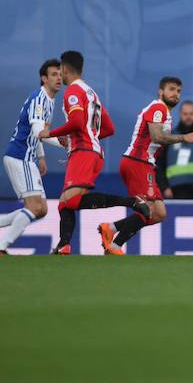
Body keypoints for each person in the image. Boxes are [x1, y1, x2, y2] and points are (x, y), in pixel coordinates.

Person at [39, 51, 149, 255]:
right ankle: (64, 245)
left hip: (84, 152)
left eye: (60, 71)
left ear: (64, 69)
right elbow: (108, 128)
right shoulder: (91, 93)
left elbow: (77, 122)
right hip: (89, 151)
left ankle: (132, 202)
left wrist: (50, 133)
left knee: (70, 200)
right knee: (64, 202)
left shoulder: (72, 91)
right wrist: (82, 137)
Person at [97, 77, 193, 255]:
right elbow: (157, 137)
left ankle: (111, 228)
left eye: (178, 91)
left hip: (144, 164)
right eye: (171, 89)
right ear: (161, 92)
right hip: (138, 162)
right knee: (148, 209)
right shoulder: (158, 108)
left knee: (159, 213)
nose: (176, 94)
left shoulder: (163, 111)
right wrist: (184, 137)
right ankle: (115, 246)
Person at [0, 59, 65, 254]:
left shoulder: (49, 100)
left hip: (27, 158)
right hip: (21, 156)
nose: (59, 78)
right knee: (35, 207)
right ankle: (2, 246)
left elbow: (39, 132)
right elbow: (39, 132)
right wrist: (64, 144)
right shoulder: (40, 99)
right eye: (54, 74)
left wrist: (42, 157)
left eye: (60, 74)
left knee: (41, 209)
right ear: (44, 79)